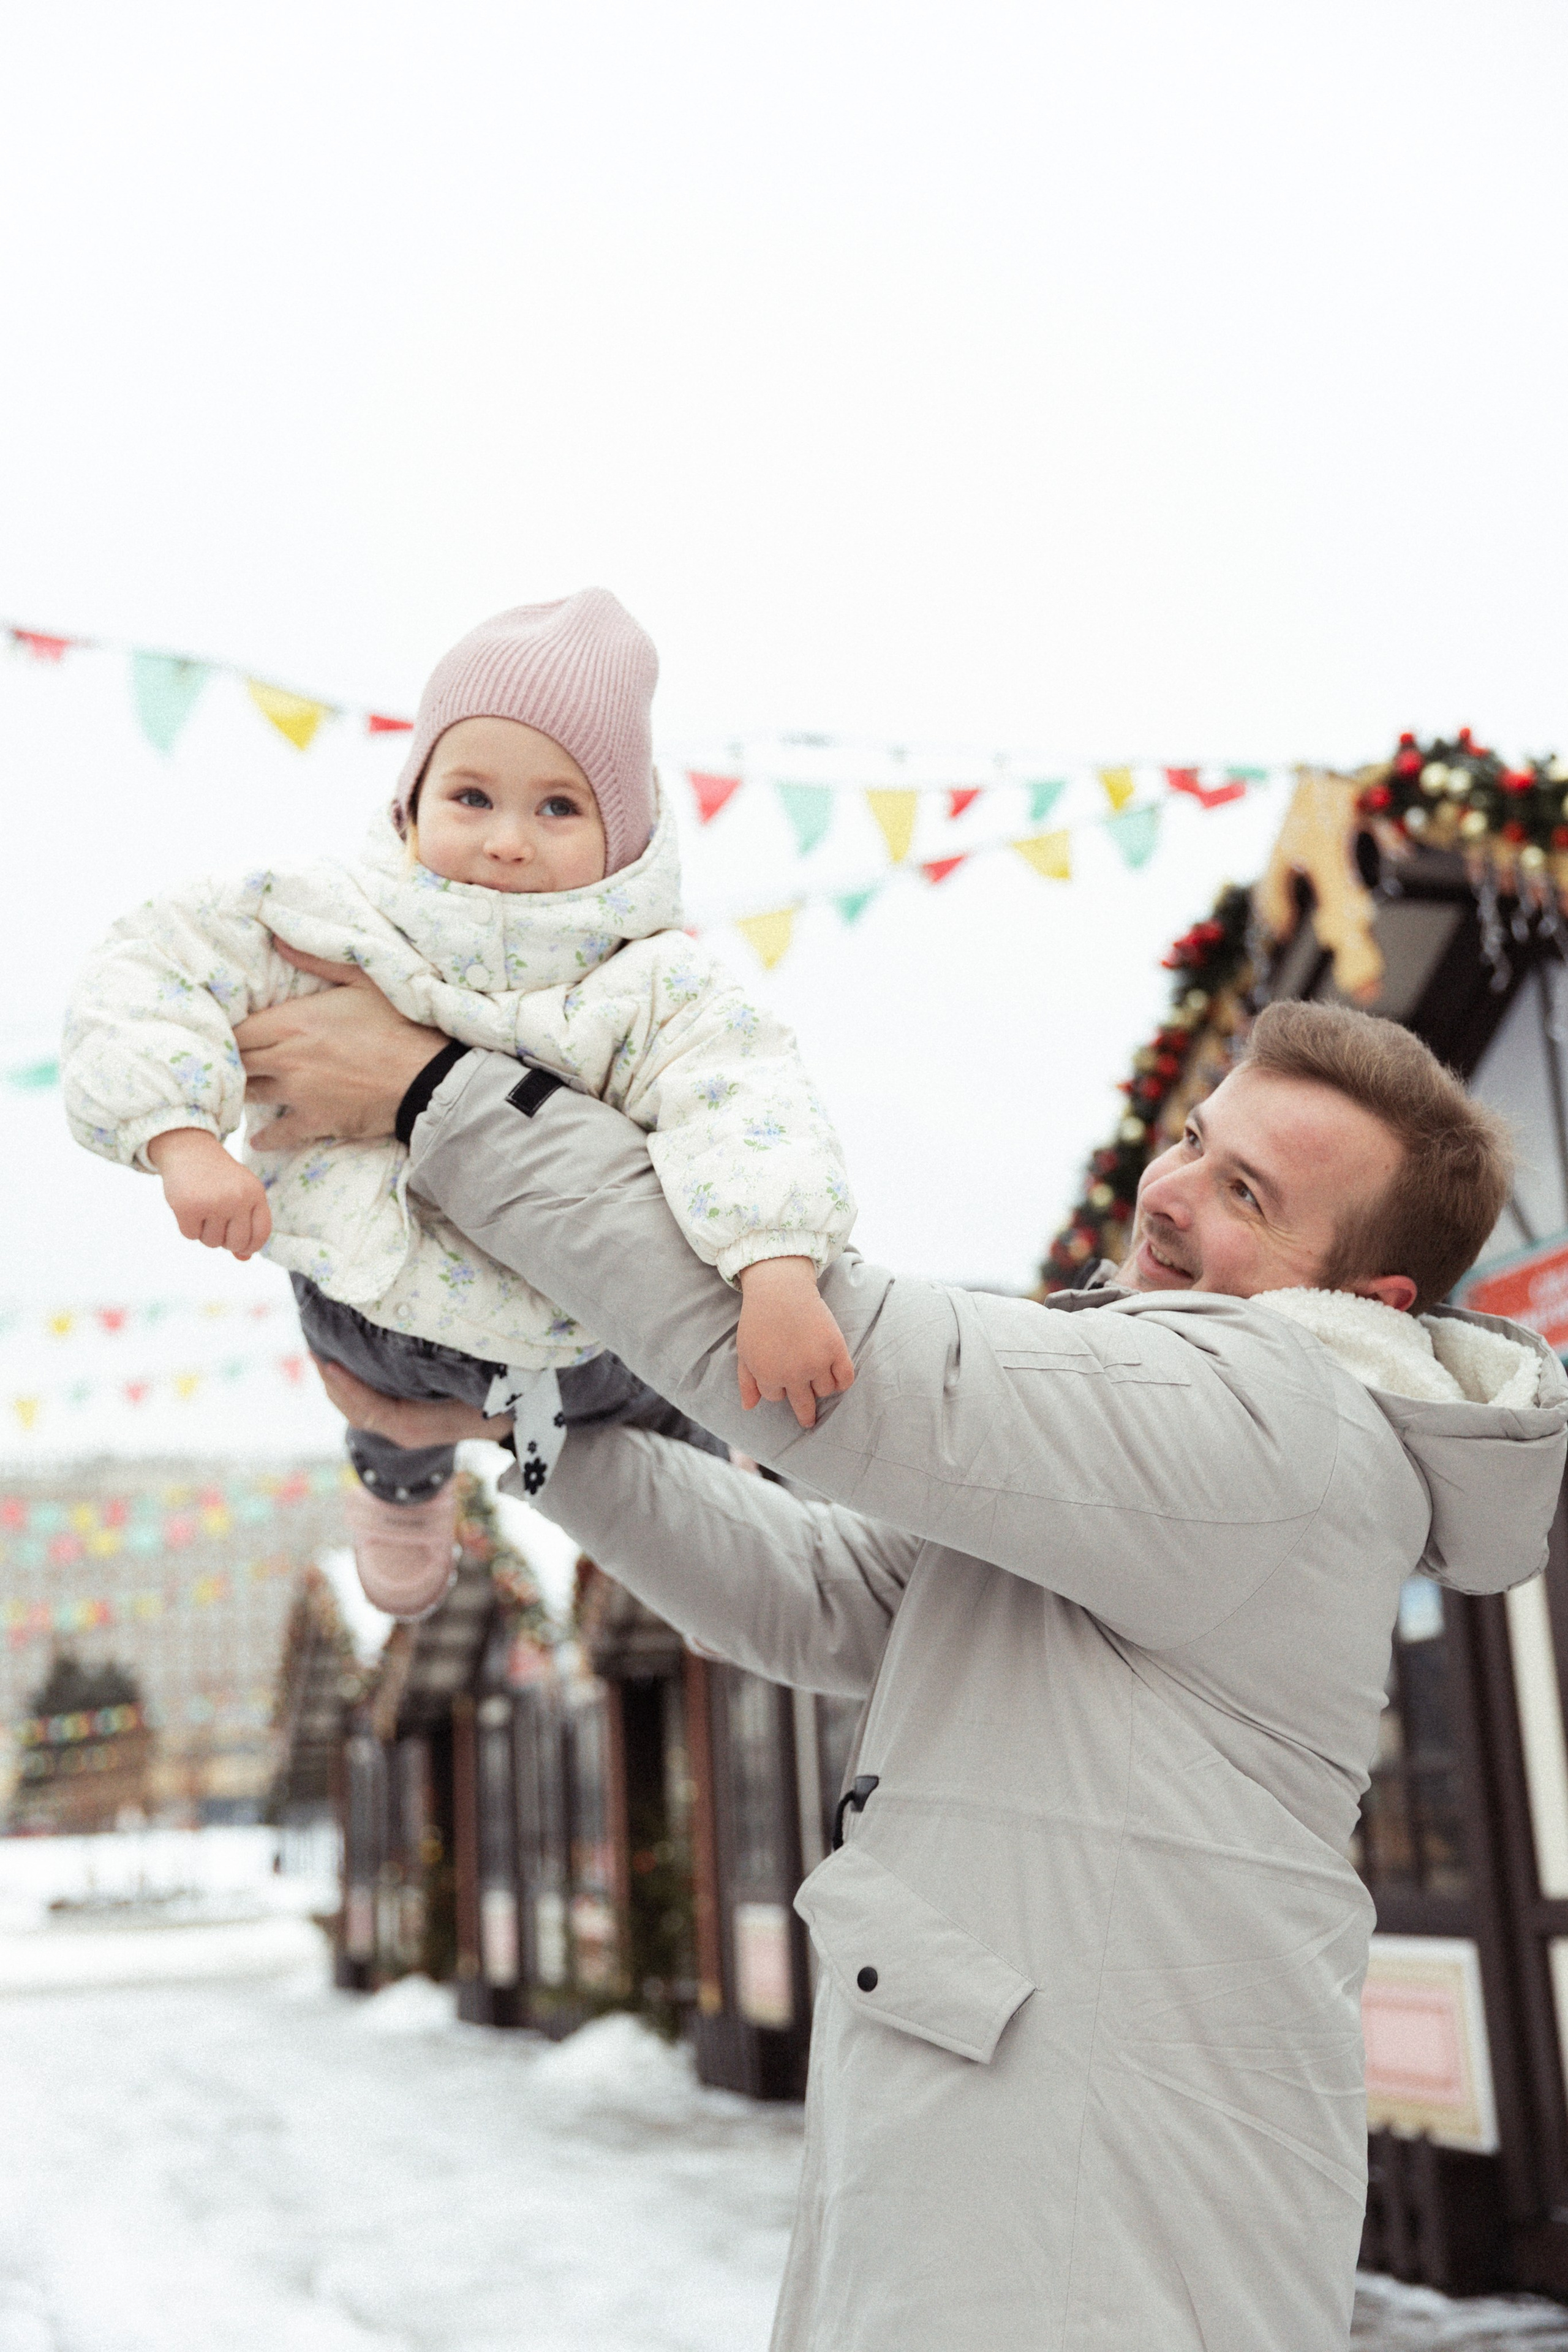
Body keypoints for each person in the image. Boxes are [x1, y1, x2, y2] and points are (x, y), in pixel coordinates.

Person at [229, 969, 1568, 2351]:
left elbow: (831, 1367)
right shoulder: (1181, 1456)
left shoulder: (1274, 1417)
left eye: (1248, 1197)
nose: (1170, 1194)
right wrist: (521, 1422)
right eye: (1191, 1144)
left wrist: (434, 1095)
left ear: (1367, 1293)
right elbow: (819, 1595)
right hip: (1028, 2176)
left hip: (1086, 2225)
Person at [60, 589, 854, 1619]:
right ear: (413, 796)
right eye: (472, 796)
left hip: (588, 1335)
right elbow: (151, 964)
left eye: (559, 807)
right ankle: (399, 1485)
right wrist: (179, 1135)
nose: (509, 840)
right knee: (385, 1412)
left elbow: (746, 1098)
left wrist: (778, 1267)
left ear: (626, 835)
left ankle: (738, 1532)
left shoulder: (652, 981)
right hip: (374, 1299)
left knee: (681, 1404)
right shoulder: (335, 913)